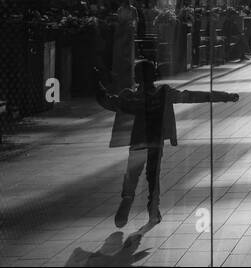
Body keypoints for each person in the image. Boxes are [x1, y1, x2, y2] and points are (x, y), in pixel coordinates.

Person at [94, 60, 238, 229]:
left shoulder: (131, 98)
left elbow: (108, 101)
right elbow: (191, 96)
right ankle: (153, 208)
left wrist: (97, 85)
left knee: (132, 174)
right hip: (155, 143)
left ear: (137, 77)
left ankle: (127, 198)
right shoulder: (164, 94)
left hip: (137, 144)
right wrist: (223, 96)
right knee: (153, 177)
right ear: (153, 76)